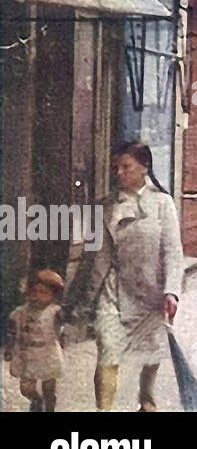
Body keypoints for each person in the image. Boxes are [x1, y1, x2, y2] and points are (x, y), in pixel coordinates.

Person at [64, 142, 183, 412]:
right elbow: (92, 259)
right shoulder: (105, 207)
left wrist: (171, 291)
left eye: (126, 167)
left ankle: (147, 399)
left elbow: (173, 252)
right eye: (115, 167)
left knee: (151, 348)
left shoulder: (163, 204)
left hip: (151, 291)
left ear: (144, 168)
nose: (119, 173)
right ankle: (103, 409)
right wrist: (77, 301)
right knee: (107, 349)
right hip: (113, 290)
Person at [5, 269, 64, 411]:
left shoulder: (54, 312)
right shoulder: (20, 312)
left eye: (43, 292)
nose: (37, 296)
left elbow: (64, 324)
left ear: (53, 296)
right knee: (25, 388)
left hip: (47, 354)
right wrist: (9, 348)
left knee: (48, 385)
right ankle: (36, 400)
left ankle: (50, 405)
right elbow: (12, 332)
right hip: (26, 355)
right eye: (34, 291)